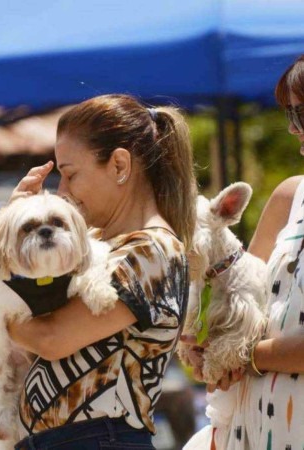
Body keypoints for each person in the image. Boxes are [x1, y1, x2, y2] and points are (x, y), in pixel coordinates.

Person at [6, 94, 197, 449]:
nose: (62, 192)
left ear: (120, 165)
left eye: (70, 175)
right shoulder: (101, 246)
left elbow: (50, 339)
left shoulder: (151, 250)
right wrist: (15, 230)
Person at [182, 54, 304, 450]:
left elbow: (244, 346)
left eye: (300, 114)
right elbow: (239, 291)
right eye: (289, 113)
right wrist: (202, 348)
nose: (291, 127)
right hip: (246, 432)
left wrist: (240, 355)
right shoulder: (290, 196)